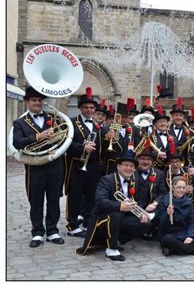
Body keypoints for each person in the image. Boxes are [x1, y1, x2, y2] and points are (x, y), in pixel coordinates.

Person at [12, 86, 66, 247]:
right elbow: (17, 143)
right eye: (34, 100)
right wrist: (37, 136)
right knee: (35, 200)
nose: (37, 103)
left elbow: (64, 134)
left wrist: (58, 143)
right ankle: (37, 232)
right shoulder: (20, 122)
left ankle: (52, 230)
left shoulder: (54, 117)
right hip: (35, 166)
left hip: (55, 164)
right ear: (27, 102)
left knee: (54, 199)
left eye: (39, 100)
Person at [76, 155, 155, 261]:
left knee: (146, 224)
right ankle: (111, 249)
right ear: (118, 166)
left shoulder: (133, 182)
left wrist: (141, 214)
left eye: (131, 166)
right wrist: (121, 206)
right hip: (101, 218)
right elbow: (100, 201)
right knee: (116, 214)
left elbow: (136, 201)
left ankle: (114, 240)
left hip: (120, 217)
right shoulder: (106, 180)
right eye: (126, 165)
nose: (129, 168)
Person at [65, 87, 103, 237]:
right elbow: (66, 144)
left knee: (91, 196)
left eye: (92, 108)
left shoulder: (97, 125)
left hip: (93, 166)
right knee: (74, 195)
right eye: (86, 107)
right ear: (80, 108)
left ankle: (88, 223)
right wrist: (82, 147)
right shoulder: (71, 123)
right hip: (76, 164)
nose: (89, 110)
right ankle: (72, 225)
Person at [158, 176, 194, 256]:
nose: (181, 190)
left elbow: (193, 222)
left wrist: (190, 236)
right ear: (172, 187)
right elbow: (162, 225)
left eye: (183, 188)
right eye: (178, 187)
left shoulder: (188, 202)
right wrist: (168, 215)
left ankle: (174, 249)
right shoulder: (164, 201)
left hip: (184, 233)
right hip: (170, 234)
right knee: (167, 240)